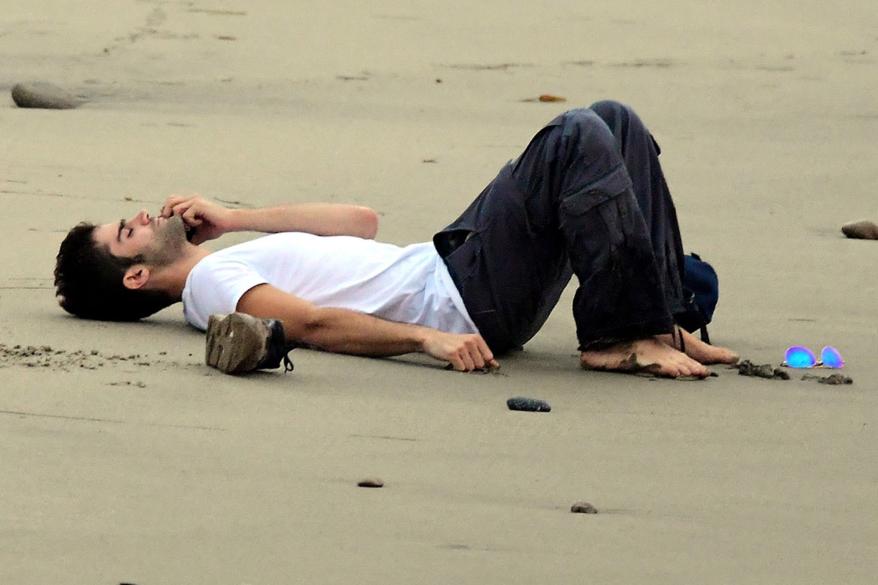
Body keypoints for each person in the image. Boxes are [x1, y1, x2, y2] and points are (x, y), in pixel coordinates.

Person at [54, 100, 738, 377]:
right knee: (574, 136)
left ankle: (668, 321)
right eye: (126, 232)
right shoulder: (209, 287)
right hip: (464, 298)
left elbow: (360, 220)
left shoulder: (223, 257)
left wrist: (233, 217)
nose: (141, 216)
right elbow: (311, 325)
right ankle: (622, 335)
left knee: (611, 121)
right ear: (136, 276)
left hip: (458, 269)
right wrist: (426, 339)